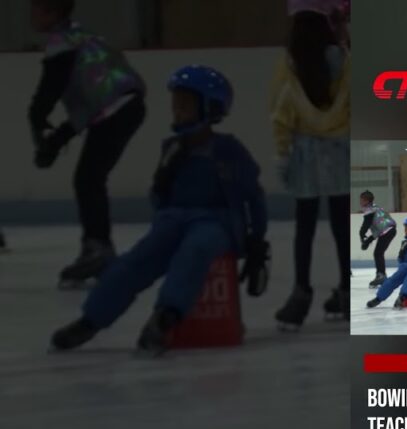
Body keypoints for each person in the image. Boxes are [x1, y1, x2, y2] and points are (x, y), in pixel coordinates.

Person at [50, 66, 269, 355]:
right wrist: (163, 190)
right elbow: (158, 194)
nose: (177, 111)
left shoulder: (228, 149)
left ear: (210, 108)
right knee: (135, 261)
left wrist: (256, 240)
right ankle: (91, 320)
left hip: (215, 221)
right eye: (175, 105)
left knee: (195, 250)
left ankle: (165, 317)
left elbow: (253, 195)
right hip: (172, 219)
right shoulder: (171, 148)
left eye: (186, 106)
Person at [29, 0, 146, 289]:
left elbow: (51, 88)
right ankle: (97, 246)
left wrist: (36, 117)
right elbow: (89, 105)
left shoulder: (61, 44)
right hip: (125, 105)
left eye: (38, 8)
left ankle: (98, 249)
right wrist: (55, 140)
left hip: (116, 109)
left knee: (88, 179)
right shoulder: (82, 36)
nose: (32, 14)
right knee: (89, 178)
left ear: (54, 12)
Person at [271, 0, 351, 329]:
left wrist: (283, 153)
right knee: (340, 226)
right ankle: (348, 289)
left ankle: (300, 294)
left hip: (304, 155)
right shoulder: (341, 60)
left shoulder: (290, 65)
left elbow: (281, 112)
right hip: (337, 154)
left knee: (304, 228)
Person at [358, 190, 397, 288]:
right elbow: (379, 229)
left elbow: (366, 225)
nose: (360, 202)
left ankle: (381, 276)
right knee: (378, 253)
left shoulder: (369, 210)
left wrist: (362, 235)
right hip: (389, 230)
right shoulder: (376, 207)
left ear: (366, 201)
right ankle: (381, 275)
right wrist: (368, 240)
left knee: (378, 253)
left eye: (362, 200)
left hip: (387, 231)